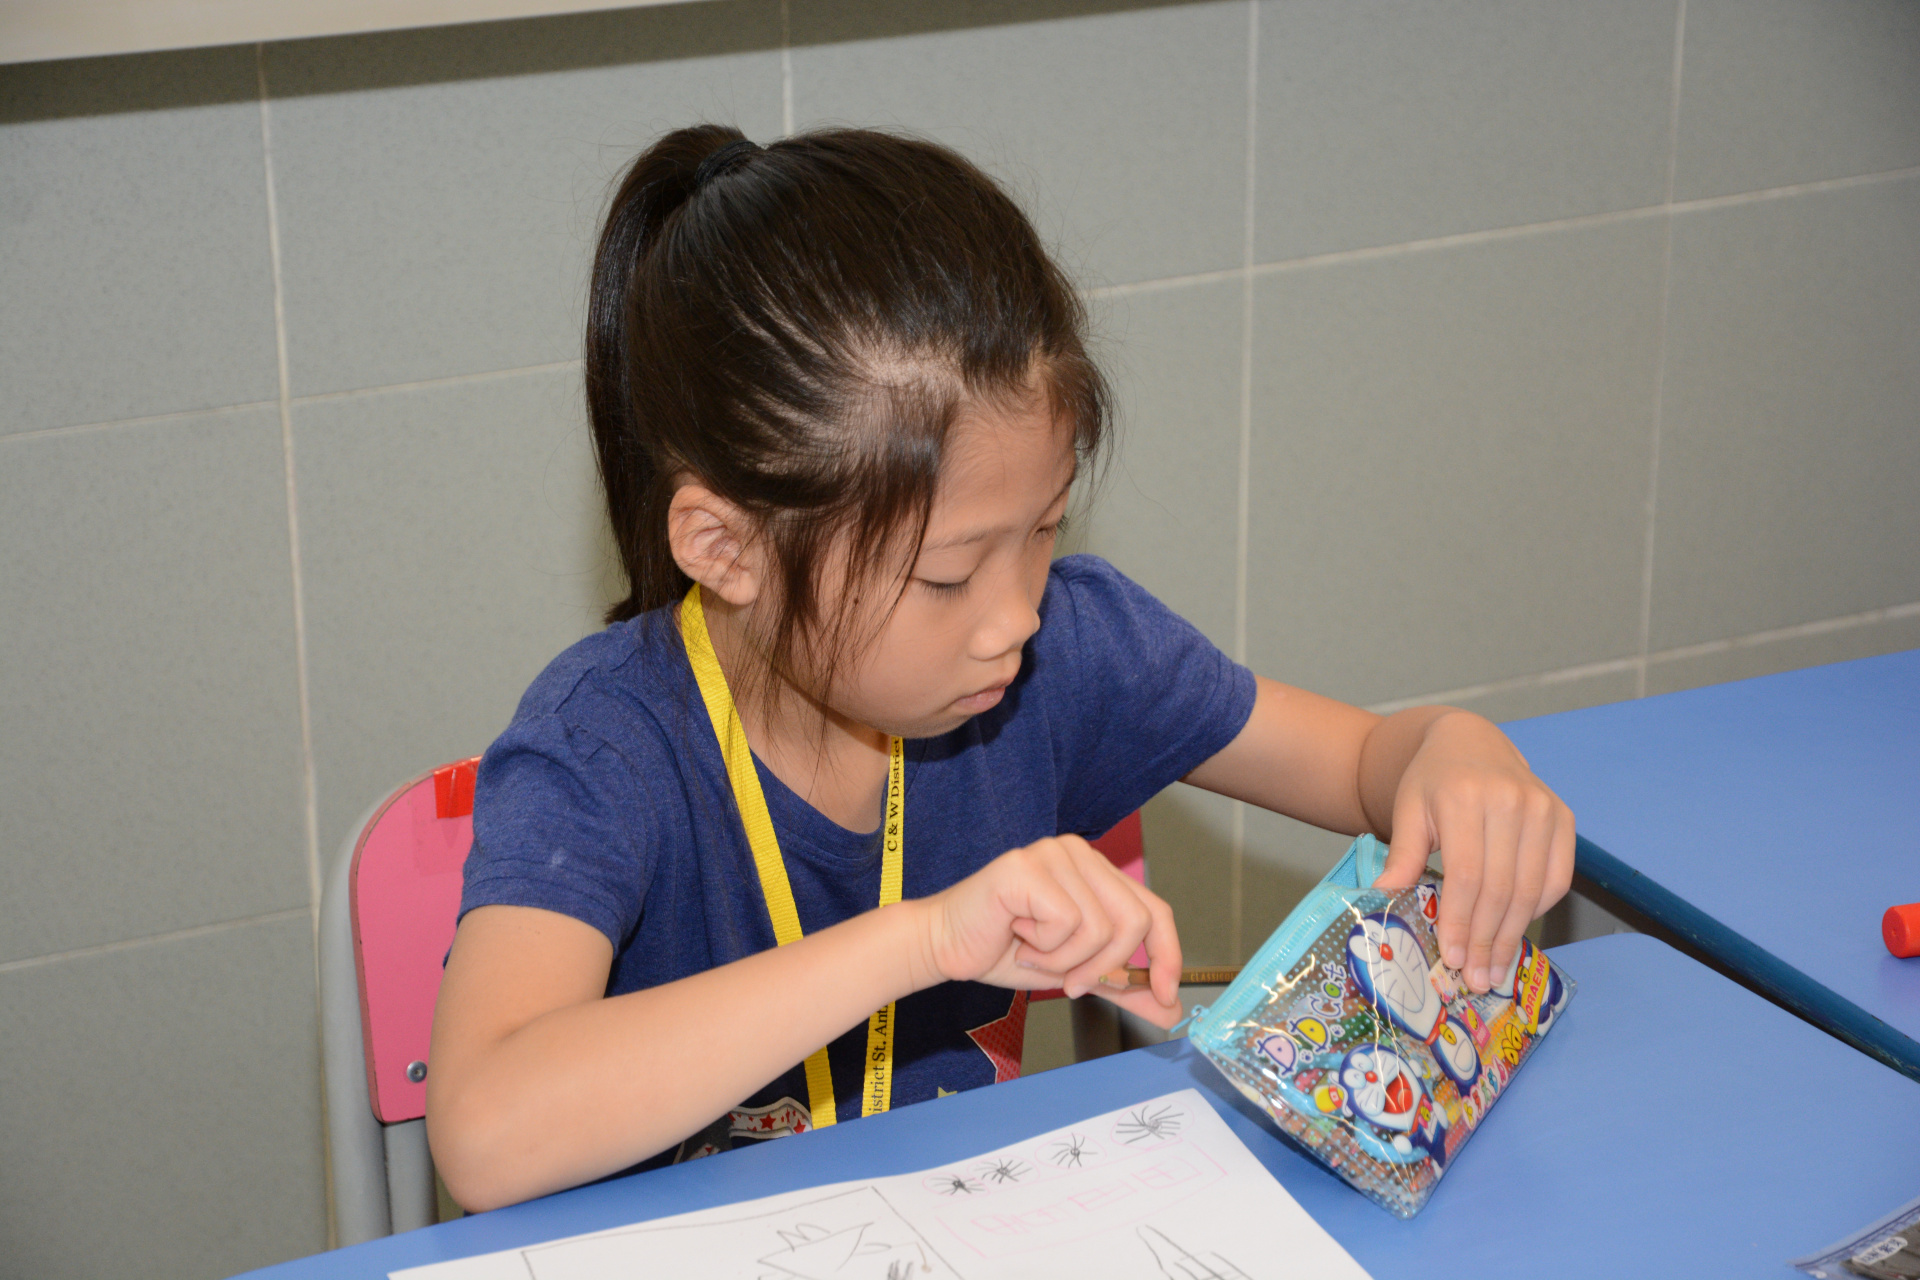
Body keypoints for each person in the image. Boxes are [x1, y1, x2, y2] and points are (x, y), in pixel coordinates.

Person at [426, 124, 1576, 1212]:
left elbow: (1369, 760)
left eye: (1045, 529)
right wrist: (925, 938)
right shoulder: (603, 745)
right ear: (727, 549)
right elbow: (485, 1130)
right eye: (946, 576)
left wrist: (1450, 749)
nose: (1015, 615)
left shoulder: (1069, 651)